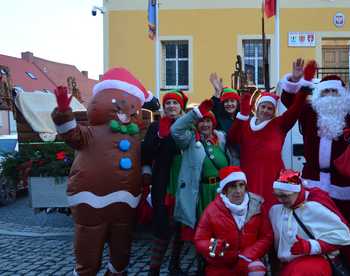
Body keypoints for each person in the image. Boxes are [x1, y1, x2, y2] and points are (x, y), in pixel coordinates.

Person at [51, 67, 149, 275]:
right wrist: (62, 113)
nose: (125, 112)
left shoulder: (135, 136)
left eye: (131, 108)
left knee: (122, 244)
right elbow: (71, 134)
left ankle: (116, 270)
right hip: (91, 198)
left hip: (126, 200)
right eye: (119, 106)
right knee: (89, 242)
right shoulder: (90, 133)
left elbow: (144, 158)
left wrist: (146, 179)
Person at [280, 59, 350, 225]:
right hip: (313, 178)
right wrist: (295, 79)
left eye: (334, 91)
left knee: (342, 224)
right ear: (319, 94)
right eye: (325, 91)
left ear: (341, 94)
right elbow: (289, 102)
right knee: (314, 224)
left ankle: (344, 251)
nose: (329, 95)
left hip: (340, 181)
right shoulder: (309, 112)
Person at [227, 59, 314, 206]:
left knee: (272, 216)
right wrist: (242, 113)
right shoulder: (246, 126)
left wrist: (302, 83)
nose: (266, 111)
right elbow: (232, 138)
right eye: (263, 107)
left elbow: (296, 107)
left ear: (274, 111)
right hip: (249, 181)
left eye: (270, 108)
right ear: (257, 108)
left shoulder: (279, 125)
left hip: (272, 182)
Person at [269, 170, 350, 276]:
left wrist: (311, 246)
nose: (280, 200)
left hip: (314, 263)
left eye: (285, 196)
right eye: (276, 195)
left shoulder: (313, 207)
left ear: (297, 191)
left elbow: (344, 236)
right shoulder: (276, 210)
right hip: (288, 265)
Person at [141, 90, 188, 275]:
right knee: (163, 225)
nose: (171, 107)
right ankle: (154, 268)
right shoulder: (155, 126)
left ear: (180, 107)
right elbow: (146, 152)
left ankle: (174, 265)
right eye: (168, 103)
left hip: (183, 180)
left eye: (175, 103)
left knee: (180, 225)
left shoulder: (187, 126)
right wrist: (159, 138)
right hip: (163, 181)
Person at [194, 166, 273, 276]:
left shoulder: (257, 205)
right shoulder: (212, 210)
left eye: (241, 185)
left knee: (257, 270)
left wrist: (248, 255)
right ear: (225, 190)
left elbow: (267, 236)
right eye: (233, 186)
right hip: (221, 263)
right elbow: (200, 239)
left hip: (248, 260)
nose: (238, 191)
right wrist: (214, 247)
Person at [170, 98, 233, 236]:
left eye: (208, 121)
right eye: (201, 121)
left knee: (223, 228)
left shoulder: (222, 138)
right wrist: (196, 113)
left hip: (221, 191)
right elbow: (175, 129)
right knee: (203, 230)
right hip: (202, 192)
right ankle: (203, 256)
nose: (205, 124)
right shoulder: (190, 140)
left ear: (213, 123)